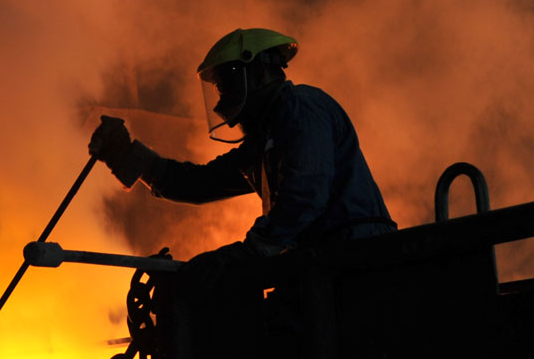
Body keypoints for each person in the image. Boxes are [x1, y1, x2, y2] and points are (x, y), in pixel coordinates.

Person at [88, 27, 395, 284]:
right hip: (325, 267)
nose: (221, 102)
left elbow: (305, 194)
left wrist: (251, 251)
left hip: (360, 262)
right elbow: (200, 183)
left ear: (258, 71)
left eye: (225, 87)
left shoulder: (303, 108)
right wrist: (126, 156)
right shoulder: (267, 139)